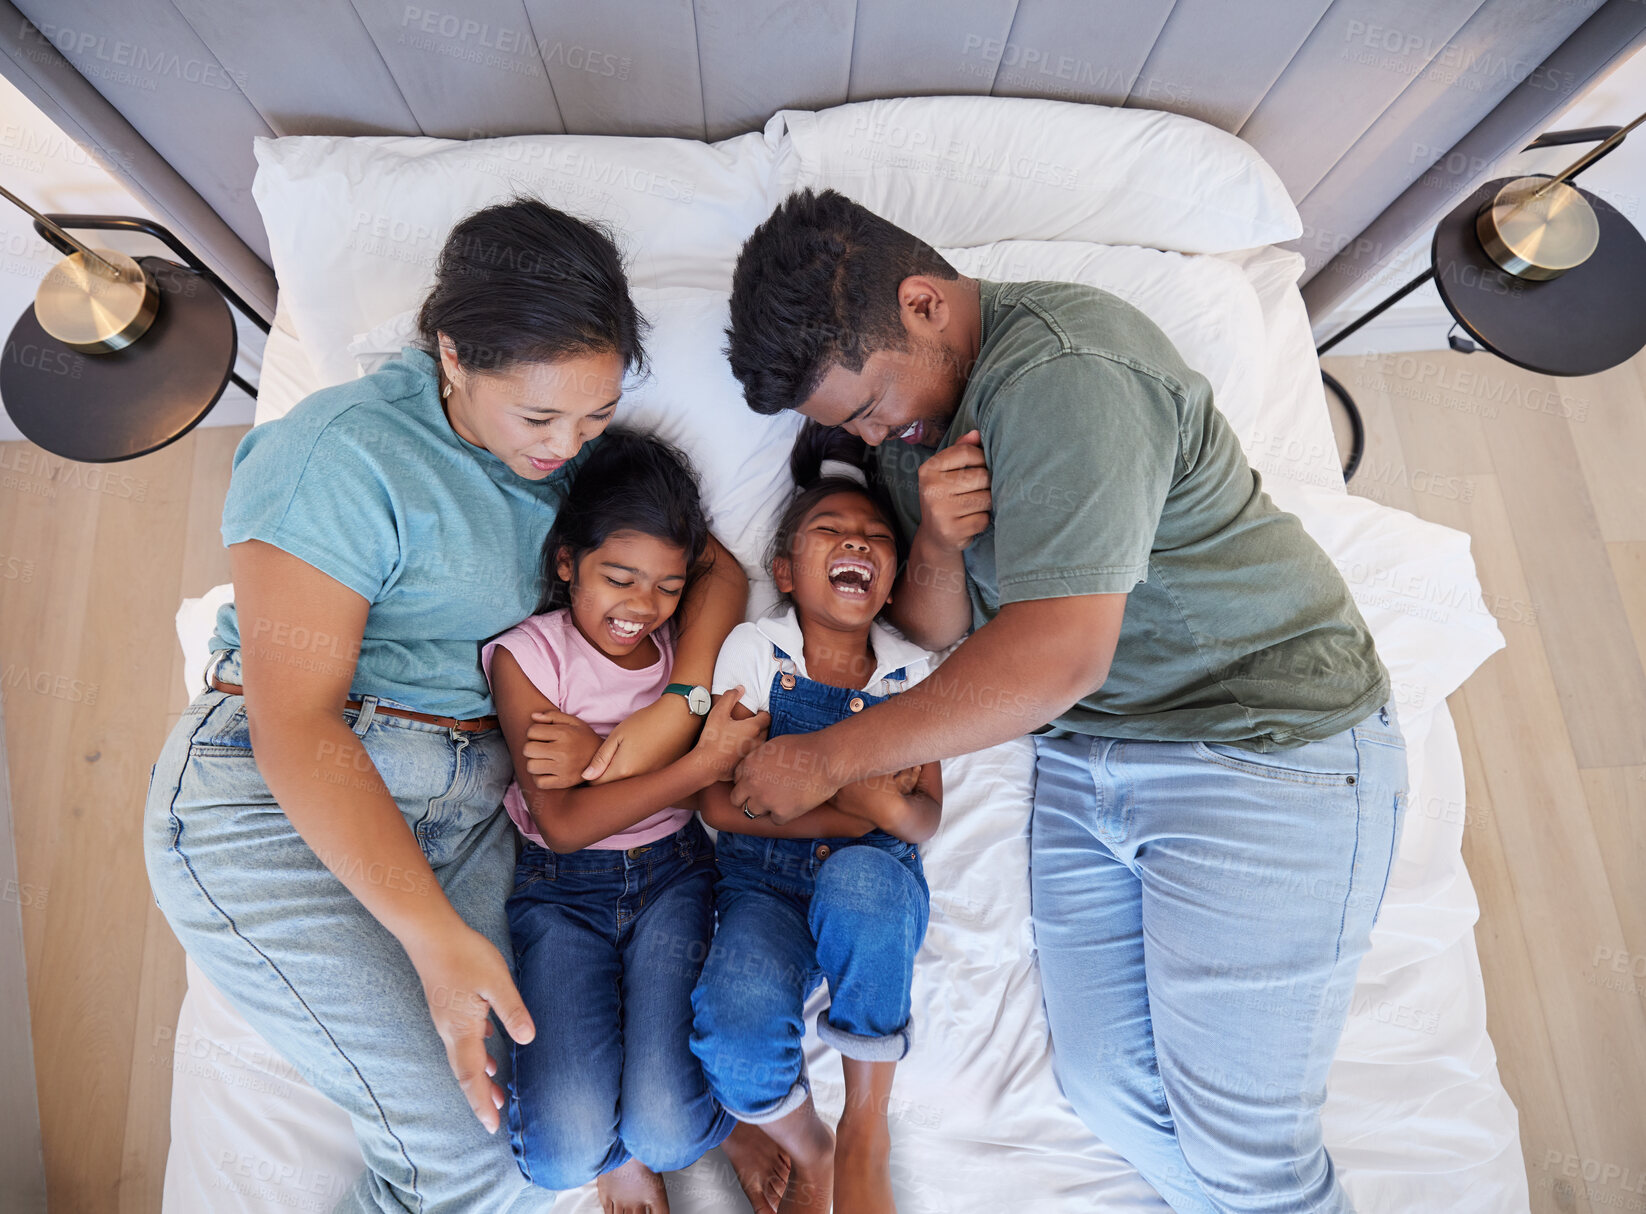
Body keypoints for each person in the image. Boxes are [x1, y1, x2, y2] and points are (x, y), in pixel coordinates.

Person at [719, 188, 1409, 1214]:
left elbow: (1056, 657)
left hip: (1263, 738)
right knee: (1106, 1088)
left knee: (1246, 1156)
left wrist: (828, 756)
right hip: (1091, 766)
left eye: (866, 403)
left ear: (920, 302)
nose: (872, 433)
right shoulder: (913, 427)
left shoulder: (1065, 372)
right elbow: (947, 635)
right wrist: (940, 543)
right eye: (851, 424)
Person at [143, 200, 781, 1213]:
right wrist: (434, 940)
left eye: (596, 416)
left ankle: (654, 1137)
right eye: (539, 418)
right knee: (472, 1151)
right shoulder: (341, 457)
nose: (567, 444)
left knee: (542, 1125)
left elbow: (708, 567)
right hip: (276, 800)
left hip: (476, 802)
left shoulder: (569, 455)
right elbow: (294, 723)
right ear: (451, 353)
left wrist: (679, 702)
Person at [482, 430, 782, 1214]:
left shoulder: (675, 642)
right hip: (560, 893)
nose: (641, 607)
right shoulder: (529, 659)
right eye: (619, 579)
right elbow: (568, 825)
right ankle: (622, 1159)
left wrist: (615, 755)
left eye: (665, 587)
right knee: (558, 1157)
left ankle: (720, 1126)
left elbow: (720, 571)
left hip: (673, 876)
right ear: (565, 563)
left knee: (673, 1131)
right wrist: (692, 763)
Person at [690, 424, 944, 1214]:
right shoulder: (755, 651)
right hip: (759, 889)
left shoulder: (912, 671)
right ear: (785, 573)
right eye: (829, 532)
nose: (856, 544)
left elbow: (924, 821)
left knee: (867, 883)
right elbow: (718, 803)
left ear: (896, 579)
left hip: (872, 883)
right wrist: (861, 807)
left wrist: (853, 816)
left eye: (875, 539)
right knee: (733, 1036)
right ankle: (810, 1140)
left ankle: (866, 1124)